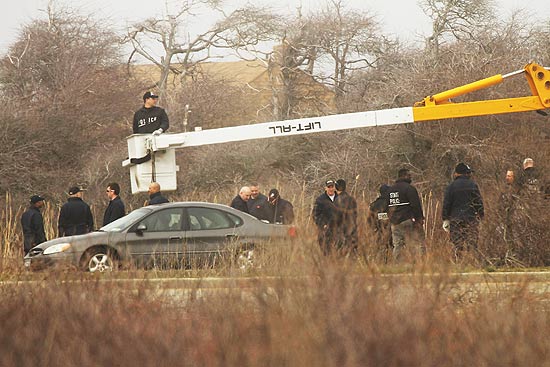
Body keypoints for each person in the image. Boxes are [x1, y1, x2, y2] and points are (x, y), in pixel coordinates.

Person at [442, 163, 484, 257]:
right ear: (465, 173)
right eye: (468, 173)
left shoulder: (451, 187)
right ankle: (472, 262)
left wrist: (445, 219)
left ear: (456, 174)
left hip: (455, 219)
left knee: (457, 244)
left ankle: (458, 263)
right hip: (471, 219)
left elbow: (446, 204)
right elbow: (478, 202)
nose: (470, 175)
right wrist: (481, 216)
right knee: (472, 244)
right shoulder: (473, 185)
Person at [386, 168, 425, 261]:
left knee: (397, 245)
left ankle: (397, 266)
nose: (410, 177)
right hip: (408, 220)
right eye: (409, 175)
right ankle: (418, 264)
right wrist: (419, 219)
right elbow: (416, 205)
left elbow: (387, 207)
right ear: (403, 176)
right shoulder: (409, 188)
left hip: (394, 223)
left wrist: (391, 220)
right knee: (415, 243)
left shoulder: (390, 190)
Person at [312, 179, 338, 255]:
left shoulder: (340, 198)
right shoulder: (320, 200)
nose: (331, 189)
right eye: (329, 187)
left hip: (338, 230)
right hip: (325, 231)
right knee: (326, 253)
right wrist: (323, 225)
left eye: (332, 187)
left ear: (335, 187)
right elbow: (315, 215)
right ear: (325, 188)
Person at [368, 184, 392, 262]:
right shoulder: (390, 204)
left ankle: (380, 262)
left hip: (377, 229)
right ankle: (391, 262)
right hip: (389, 228)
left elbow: (370, 219)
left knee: (379, 246)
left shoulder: (373, 204)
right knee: (391, 246)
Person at [333, 179, 358, 254]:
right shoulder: (352, 199)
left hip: (341, 230)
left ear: (336, 187)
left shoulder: (337, 200)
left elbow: (336, 217)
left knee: (341, 251)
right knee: (353, 251)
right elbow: (355, 214)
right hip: (353, 227)